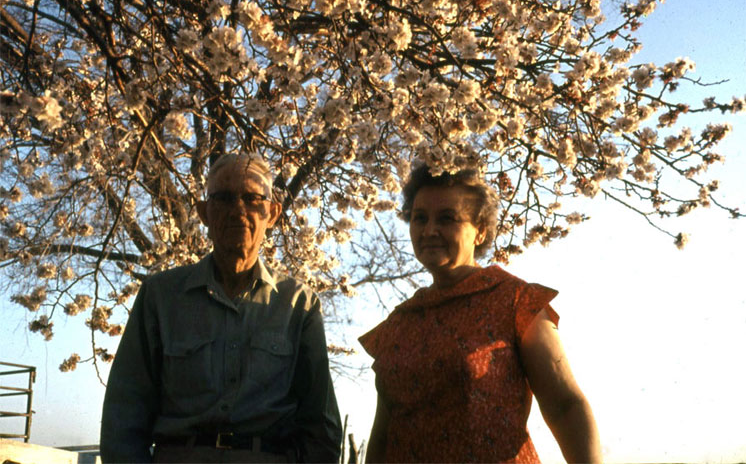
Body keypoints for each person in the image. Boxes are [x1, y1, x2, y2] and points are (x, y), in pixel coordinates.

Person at [100, 153, 342, 463]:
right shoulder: (160, 297)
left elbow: (321, 427)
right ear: (203, 212)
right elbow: (123, 418)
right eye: (224, 198)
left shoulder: (299, 305)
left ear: (272, 213)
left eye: (252, 199)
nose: (238, 210)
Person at [359, 163, 601, 463]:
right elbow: (383, 432)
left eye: (447, 218)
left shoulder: (515, 301)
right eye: (419, 218)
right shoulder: (399, 323)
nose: (429, 230)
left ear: (480, 231)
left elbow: (565, 405)